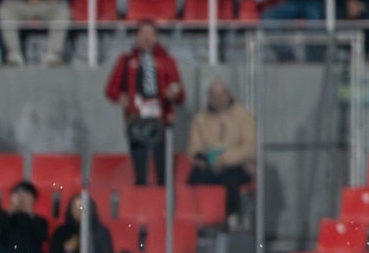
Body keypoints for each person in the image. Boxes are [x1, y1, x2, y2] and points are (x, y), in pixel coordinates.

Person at [105, 22, 184, 184]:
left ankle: (162, 201)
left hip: (160, 119)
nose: (147, 38)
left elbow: (180, 93)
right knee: (139, 168)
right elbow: (111, 89)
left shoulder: (167, 62)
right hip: (137, 117)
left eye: (151, 34)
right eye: (143, 34)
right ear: (136, 37)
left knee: (162, 168)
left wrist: (173, 93)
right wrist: (121, 97)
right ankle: (141, 199)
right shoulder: (126, 61)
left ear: (157, 38)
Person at [187, 80, 257, 215]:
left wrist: (225, 158)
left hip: (238, 165)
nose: (217, 99)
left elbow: (251, 148)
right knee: (196, 179)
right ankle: (201, 221)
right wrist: (206, 159)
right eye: (213, 95)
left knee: (229, 177)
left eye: (221, 95)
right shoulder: (199, 120)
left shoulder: (244, 117)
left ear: (228, 95)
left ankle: (229, 220)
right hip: (208, 165)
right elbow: (194, 149)